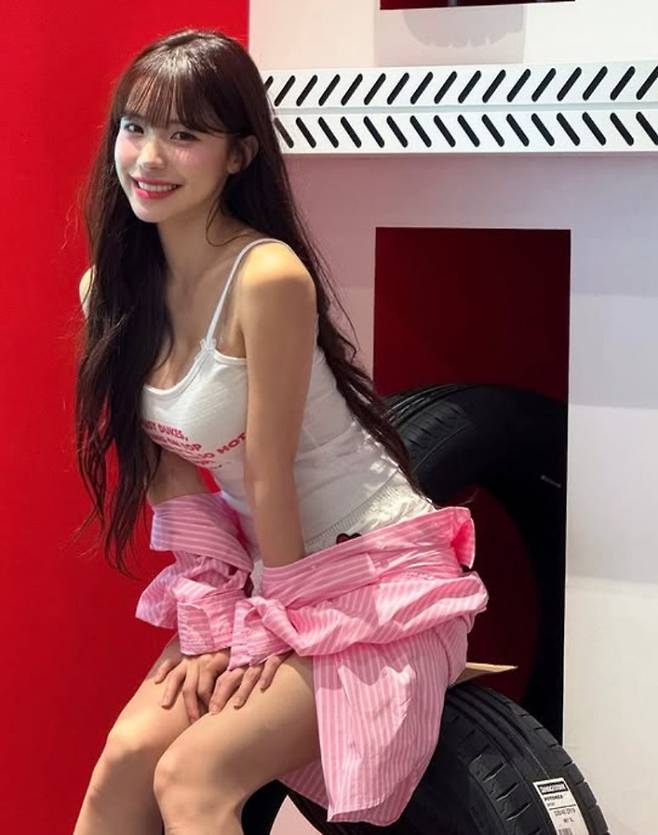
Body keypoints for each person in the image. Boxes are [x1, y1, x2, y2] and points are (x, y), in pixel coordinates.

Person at [71, 27, 488, 835]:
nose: (149, 157)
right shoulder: (109, 290)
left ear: (239, 155)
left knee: (192, 777)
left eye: (183, 135)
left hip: (366, 579)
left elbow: (269, 472)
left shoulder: (267, 275)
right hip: (260, 576)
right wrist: (209, 619)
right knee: (126, 758)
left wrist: (270, 628)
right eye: (135, 126)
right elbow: (172, 477)